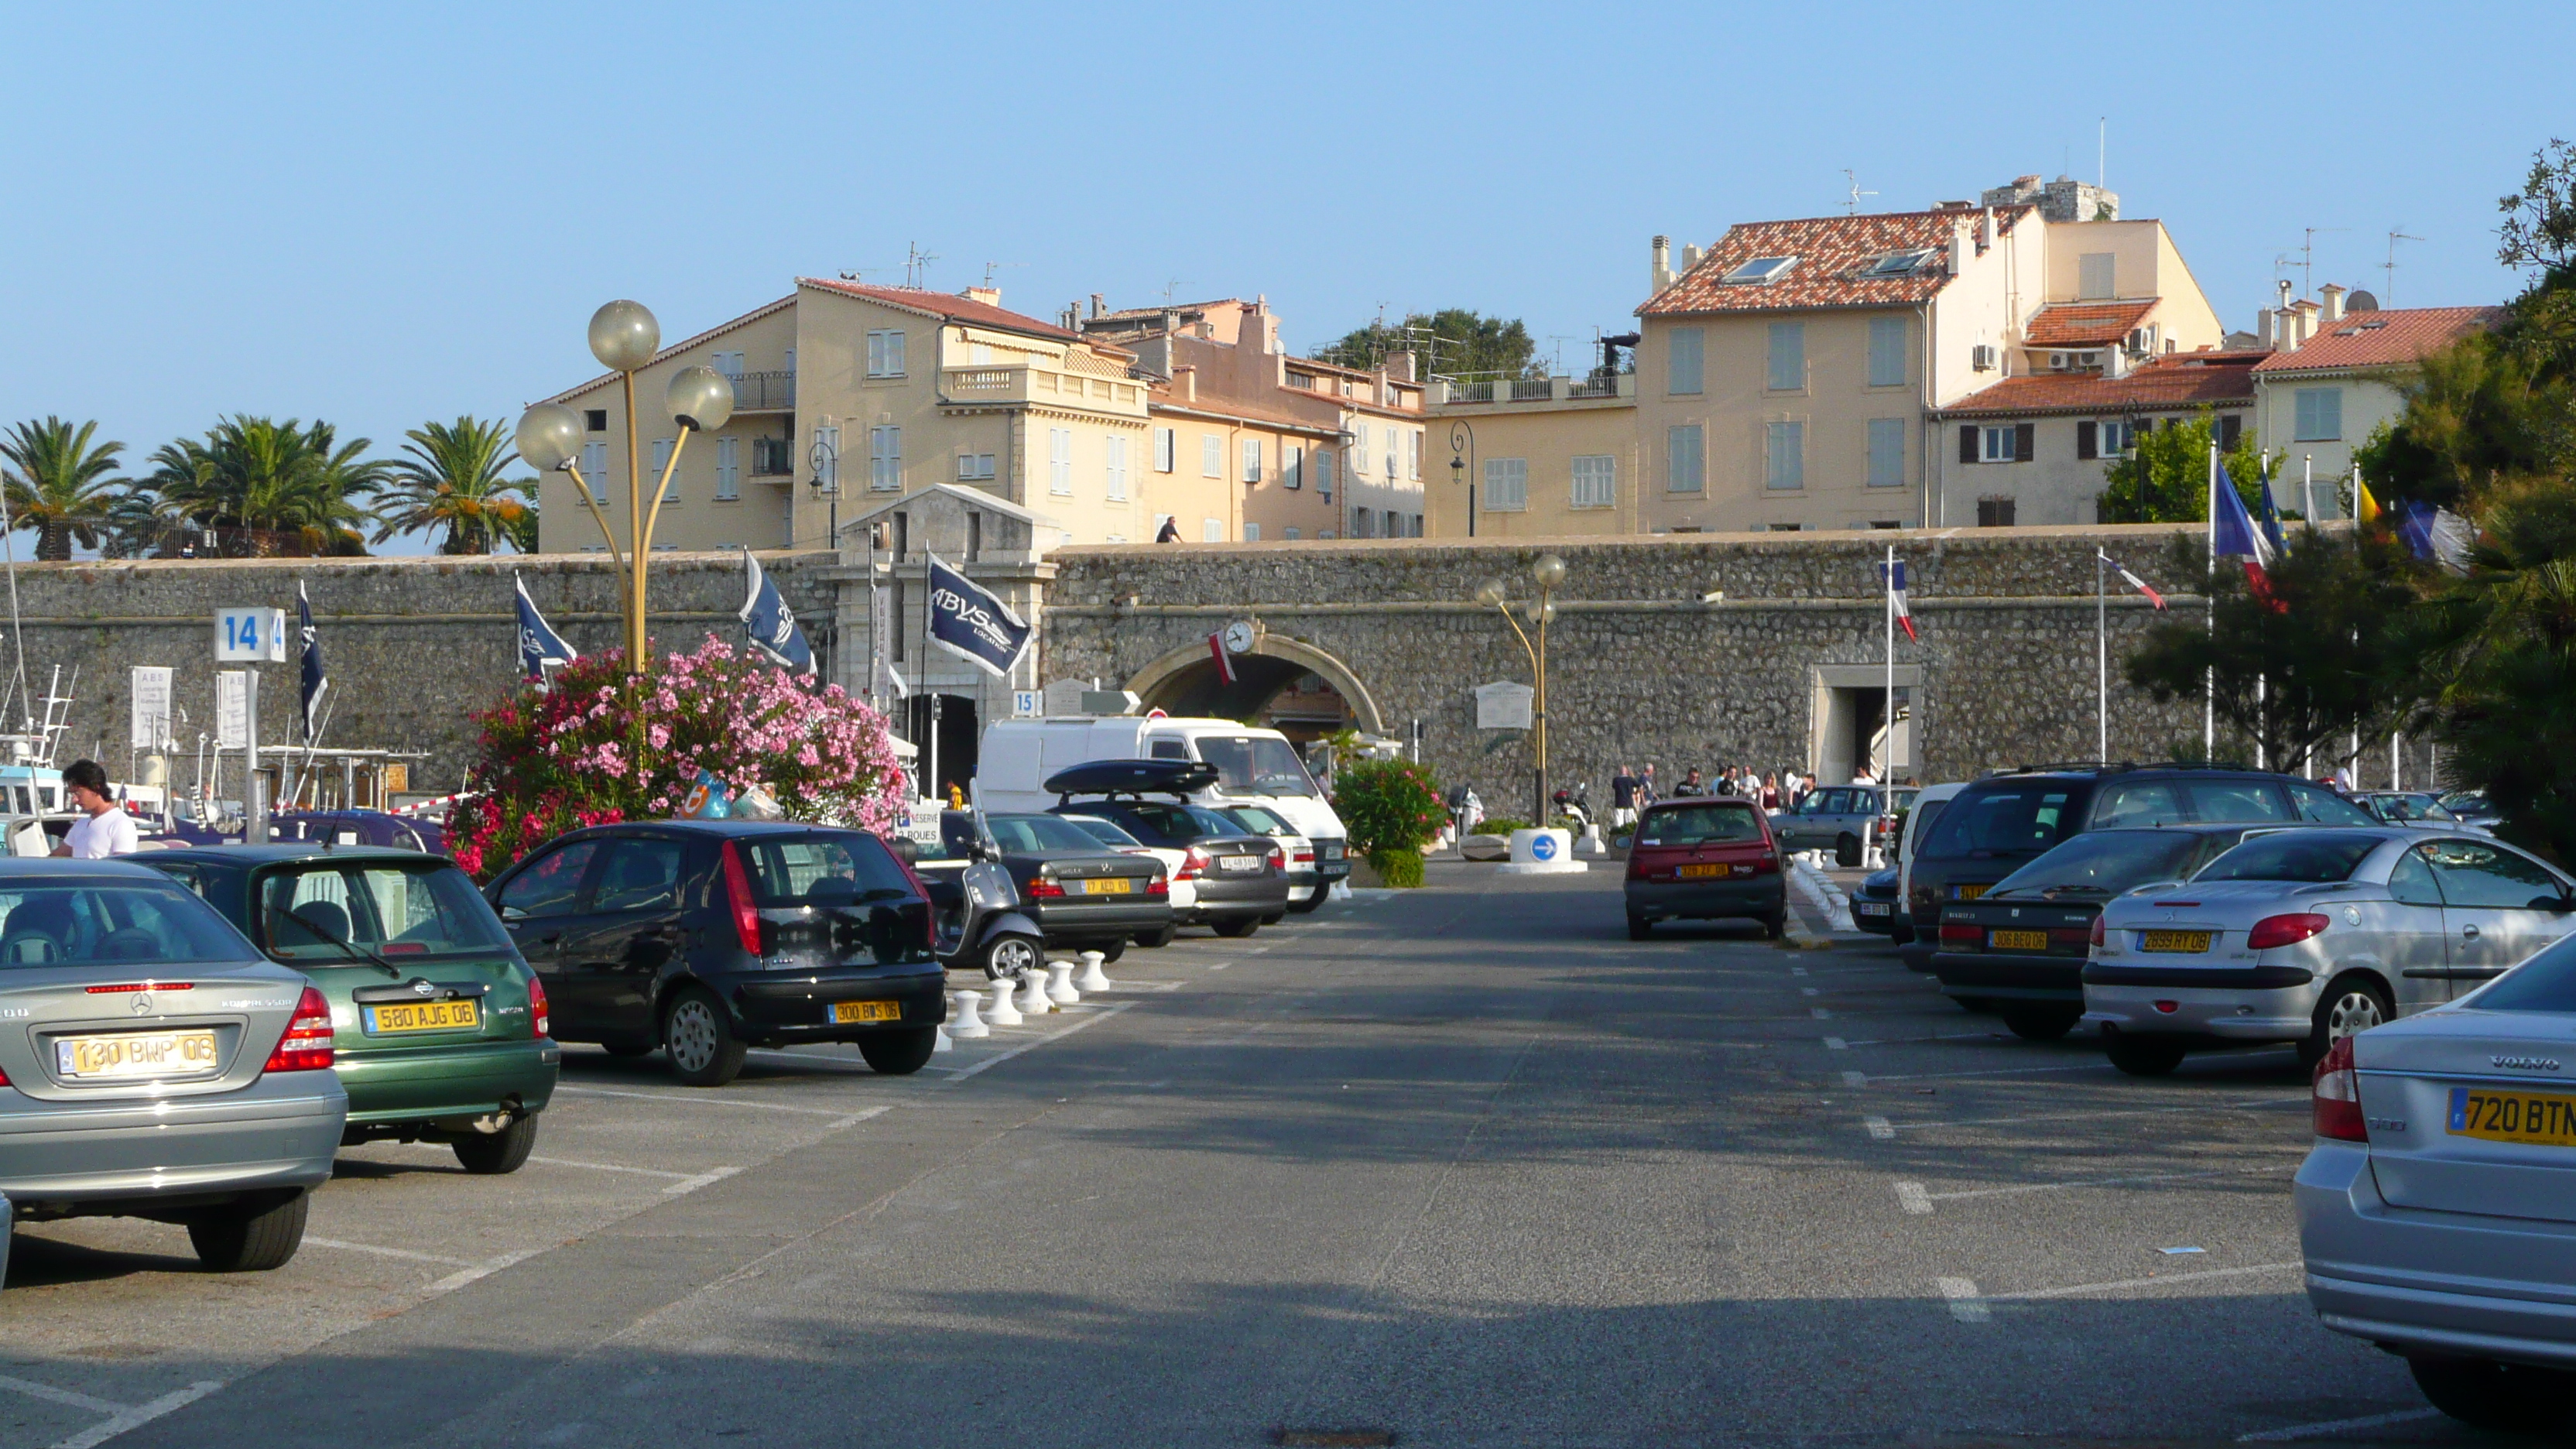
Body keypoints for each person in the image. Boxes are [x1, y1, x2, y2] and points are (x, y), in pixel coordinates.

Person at [56, 759, 139, 859]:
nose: (74, 800)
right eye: (72, 794)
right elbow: (55, 858)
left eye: (78, 793)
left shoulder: (121, 824)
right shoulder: (81, 824)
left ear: (95, 788)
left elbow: (123, 868)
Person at [1609, 764, 1640, 829]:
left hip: (1619, 802)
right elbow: (1640, 786)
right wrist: (1635, 793)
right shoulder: (1630, 779)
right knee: (1630, 821)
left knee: (1619, 822)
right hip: (1628, 802)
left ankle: (1619, 834)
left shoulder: (1616, 780)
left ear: (1620, 772)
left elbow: (1614, 787)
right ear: (1626, 771)